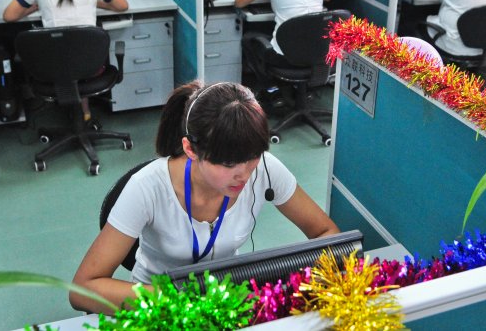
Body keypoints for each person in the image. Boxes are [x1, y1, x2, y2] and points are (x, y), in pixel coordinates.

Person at [69, 81, 339, 312]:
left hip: (227, 300)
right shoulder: (146, 187)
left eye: (252, 157)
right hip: (160, 306)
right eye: (228, 164)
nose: (244, 175)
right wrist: (180, 302)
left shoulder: (266, 169)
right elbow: (83, 289)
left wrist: (295, 284)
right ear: (190, 149)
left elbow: (327, 234)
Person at [3, 0, 128, 120]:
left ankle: (79, 111)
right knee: (78, 51)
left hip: (52, 67)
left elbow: (9, 15)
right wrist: (92, 0)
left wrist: (34, 7)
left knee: (66, 52)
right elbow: (122, 6)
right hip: (91, 66)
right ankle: (85, 112)